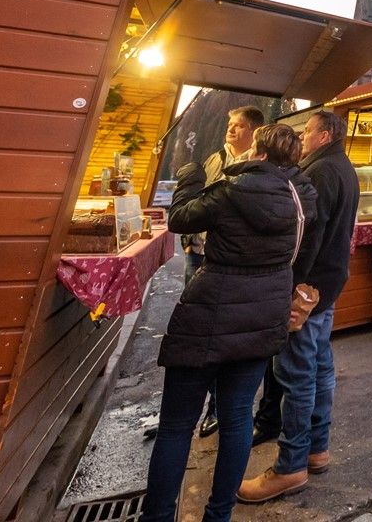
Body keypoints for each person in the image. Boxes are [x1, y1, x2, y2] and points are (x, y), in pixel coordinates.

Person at [143, 124, 316, 522]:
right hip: (263, 315)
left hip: (211, 311)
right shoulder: (303, 197)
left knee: (175, 426)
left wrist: (188, 179)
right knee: (238, 417)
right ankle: (219, 514)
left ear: (257, 152)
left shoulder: (231, 190)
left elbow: (181, 219)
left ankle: (156, 516)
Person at [245, 109, 359, 497]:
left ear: (325, 136)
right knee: (319, 365)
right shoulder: (341, 165)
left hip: (309, 286)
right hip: (328, 283)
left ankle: (291, 465)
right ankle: (317, 449)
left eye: (308, 131)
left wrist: (296, 286)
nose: (304, 138)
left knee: (296, 374)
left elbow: (310, 235)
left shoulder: (322, 171)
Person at [188, 105, 263, 436]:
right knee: (198, 331)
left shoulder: (261, 162)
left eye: (239, 125)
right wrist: (191, 239)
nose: (231, 130)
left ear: (254, 131)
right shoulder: (215, 159)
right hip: (201, 253)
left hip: (234, 260)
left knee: (226, 337)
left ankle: (222, 408)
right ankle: (204, 403)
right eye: (230, 124)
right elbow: (196, 201)